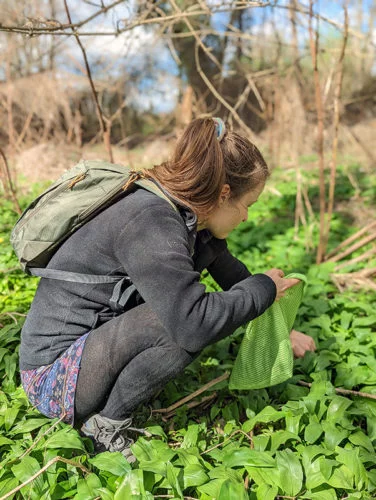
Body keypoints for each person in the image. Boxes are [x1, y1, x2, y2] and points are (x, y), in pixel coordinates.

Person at [19, 117, 316, 460]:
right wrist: (263, 287)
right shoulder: (151, 221)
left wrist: (281, 324)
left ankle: (108, 409)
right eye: (247, 205)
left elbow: (232, 274)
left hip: (88, 356)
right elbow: (194, 325)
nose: (247, 217)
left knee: (189, 313)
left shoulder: (190, 216)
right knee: (181, 322)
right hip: (53, 379)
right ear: (223, 194)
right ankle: (106, 424)